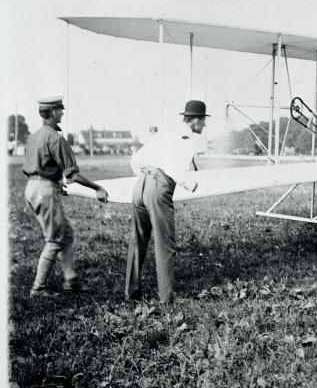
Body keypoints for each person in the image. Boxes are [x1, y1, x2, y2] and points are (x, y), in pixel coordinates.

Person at [22, 96, 109, 298]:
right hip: (44, 191)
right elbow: (73, 174)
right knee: (55, 240)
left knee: (65, 234)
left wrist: (54, 181)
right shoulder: (55, 138)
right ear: (52, 112)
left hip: (33, 187)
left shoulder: (35, 136)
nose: (62, 112)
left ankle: (71, 280)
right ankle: (38, 289)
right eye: (60, 110)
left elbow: (39, 166)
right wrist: (97, 187)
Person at [125, 100, 208, 304]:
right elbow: (173, 169)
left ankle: (131, 293)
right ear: (196, 120)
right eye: (203, 121)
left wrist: (148, 174)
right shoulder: (187, 140)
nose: (204, 125)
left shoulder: (164, 133)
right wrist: (189, 184)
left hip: (140, 186)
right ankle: (167, 299)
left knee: (138, 240)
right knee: (165, 243)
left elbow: (136, 161)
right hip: (159, 187)